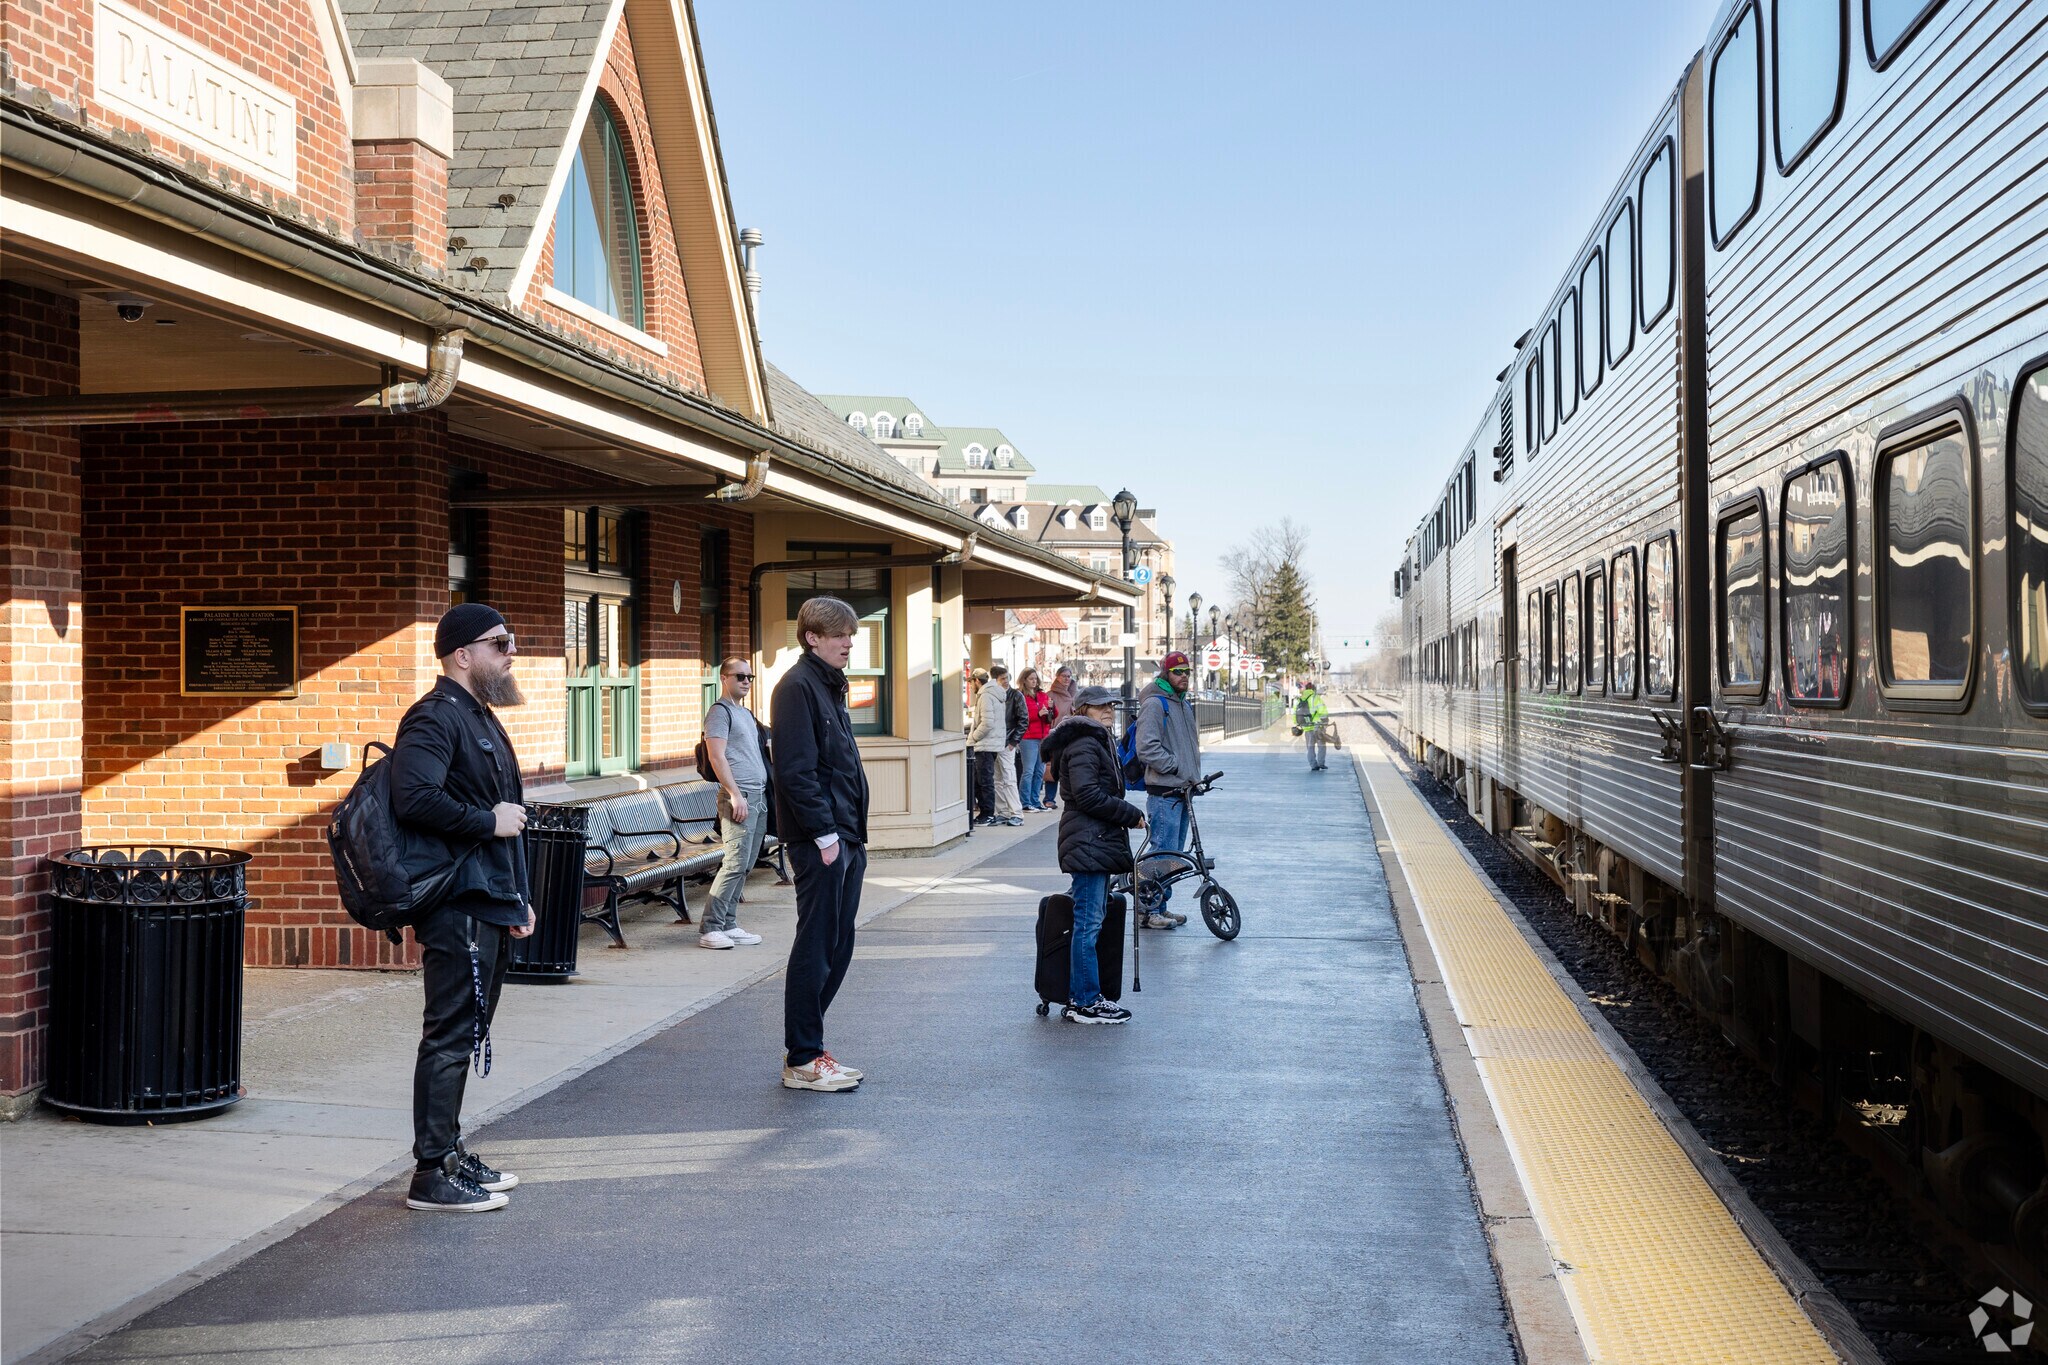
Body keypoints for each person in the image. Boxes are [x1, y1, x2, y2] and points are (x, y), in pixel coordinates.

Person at [388, 603, 535, 1212]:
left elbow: (510, 816)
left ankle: (449, 1152)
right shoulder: (433, 717)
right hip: (454, 902)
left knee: (469, 1030)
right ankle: (429, 1173)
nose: (511, 653)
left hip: (487, 898)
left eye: (511, 641)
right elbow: (411, 796)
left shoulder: (480, 716)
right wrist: (486, 822)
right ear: (462, 654)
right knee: (449, 1034)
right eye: (500, 643)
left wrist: (517, 897)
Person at [773, 595, 872, 1092]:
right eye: (839, 635)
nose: (848, 643)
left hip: (847, 837)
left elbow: (840, 764)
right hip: (825, 841)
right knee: (816, 946)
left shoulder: (828, 684)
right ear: (812, 637)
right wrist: (825, 836)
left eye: (851, 635)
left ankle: (809, 1049)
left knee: (838, 944)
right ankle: (803, 1057)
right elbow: (795, 770)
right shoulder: (796, 686)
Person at [1041, 686, 1145, 1024]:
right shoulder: (1086, 742)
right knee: (1088, 922)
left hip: (1092, 839)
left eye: (1111, 706)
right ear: (1083, 709)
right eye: (1100, 706)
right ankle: (1085, 1001)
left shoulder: (1095, 740)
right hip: (1089, 840)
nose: (1108, 712)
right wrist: (1129, 813)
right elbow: (1087, 795)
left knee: (1089, 919)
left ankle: (1080, 996)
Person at [697, 657, 769, 949]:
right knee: (735, 862)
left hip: (759, 797)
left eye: (750, 677)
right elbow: (716, 756)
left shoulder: (746, 714)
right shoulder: (719, 712)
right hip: (736, 797)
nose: (746, 681)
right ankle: (710, 928)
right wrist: (735, 794)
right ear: (724, 678)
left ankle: (728, 923)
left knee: (747, 863)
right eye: (740, 676)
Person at [1132, 650, 1202, 931]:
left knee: (1173, 857)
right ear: (1165, 673)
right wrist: (1174, 767)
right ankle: (1146, 911)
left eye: (1187, 672)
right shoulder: (1155, 704)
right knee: (1160, 853)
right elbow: (1146, 747)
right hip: (1164, 792)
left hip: (1182, 790)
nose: (1183, 677)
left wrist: (1191, 776)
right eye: (1178, 672)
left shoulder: (1182, 704)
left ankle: (1161, 905)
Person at [967, 668, 1002, 827]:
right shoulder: (993, 693)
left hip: (985, 744)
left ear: (977, 681)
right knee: (981, 780)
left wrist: (973, 737)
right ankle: (985, 813)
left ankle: (987, 814)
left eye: (971, 682)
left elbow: (987, 723)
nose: (971, 686)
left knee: (984, 780)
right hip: (990, 743)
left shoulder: (986, 696)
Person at [1017, 669, 1056, 811]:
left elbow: (1051, 717)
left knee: (1040, 770)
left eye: (1035, 678)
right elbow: (1020, 717)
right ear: (1024, 680)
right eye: (1031, 679)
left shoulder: (1042, 695)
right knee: (1028, 770)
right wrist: (1037, 714)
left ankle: (1035, 800)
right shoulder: (1021, 696)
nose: (1034, 681)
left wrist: (1052, 708)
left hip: (1043, 737)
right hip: (1028, 737)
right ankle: (1025, 802)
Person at [1041, 665, 1077, 807]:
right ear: (1057, 677)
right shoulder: (1051, 695)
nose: (1067, 679)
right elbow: (1048, 717)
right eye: (1064, 676)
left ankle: (1073, 796)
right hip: (1055, 733)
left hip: (1072, 733)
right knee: (1053, 765)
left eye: (1069, 676)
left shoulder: (1075, 694)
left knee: (1072, 765)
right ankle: (1049, 798)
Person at [1296, 680, 1332, 771]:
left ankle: (1313, 765)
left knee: (1310, 747)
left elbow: (1295, 713)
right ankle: (1321, 763)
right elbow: (1323, 711)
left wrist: (1298, 724)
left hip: (1306, 726)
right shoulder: (1316, 698)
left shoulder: (1300, 699)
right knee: (1321, 745)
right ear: (1313, 689)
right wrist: (1325, 721)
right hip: (1317, 725)